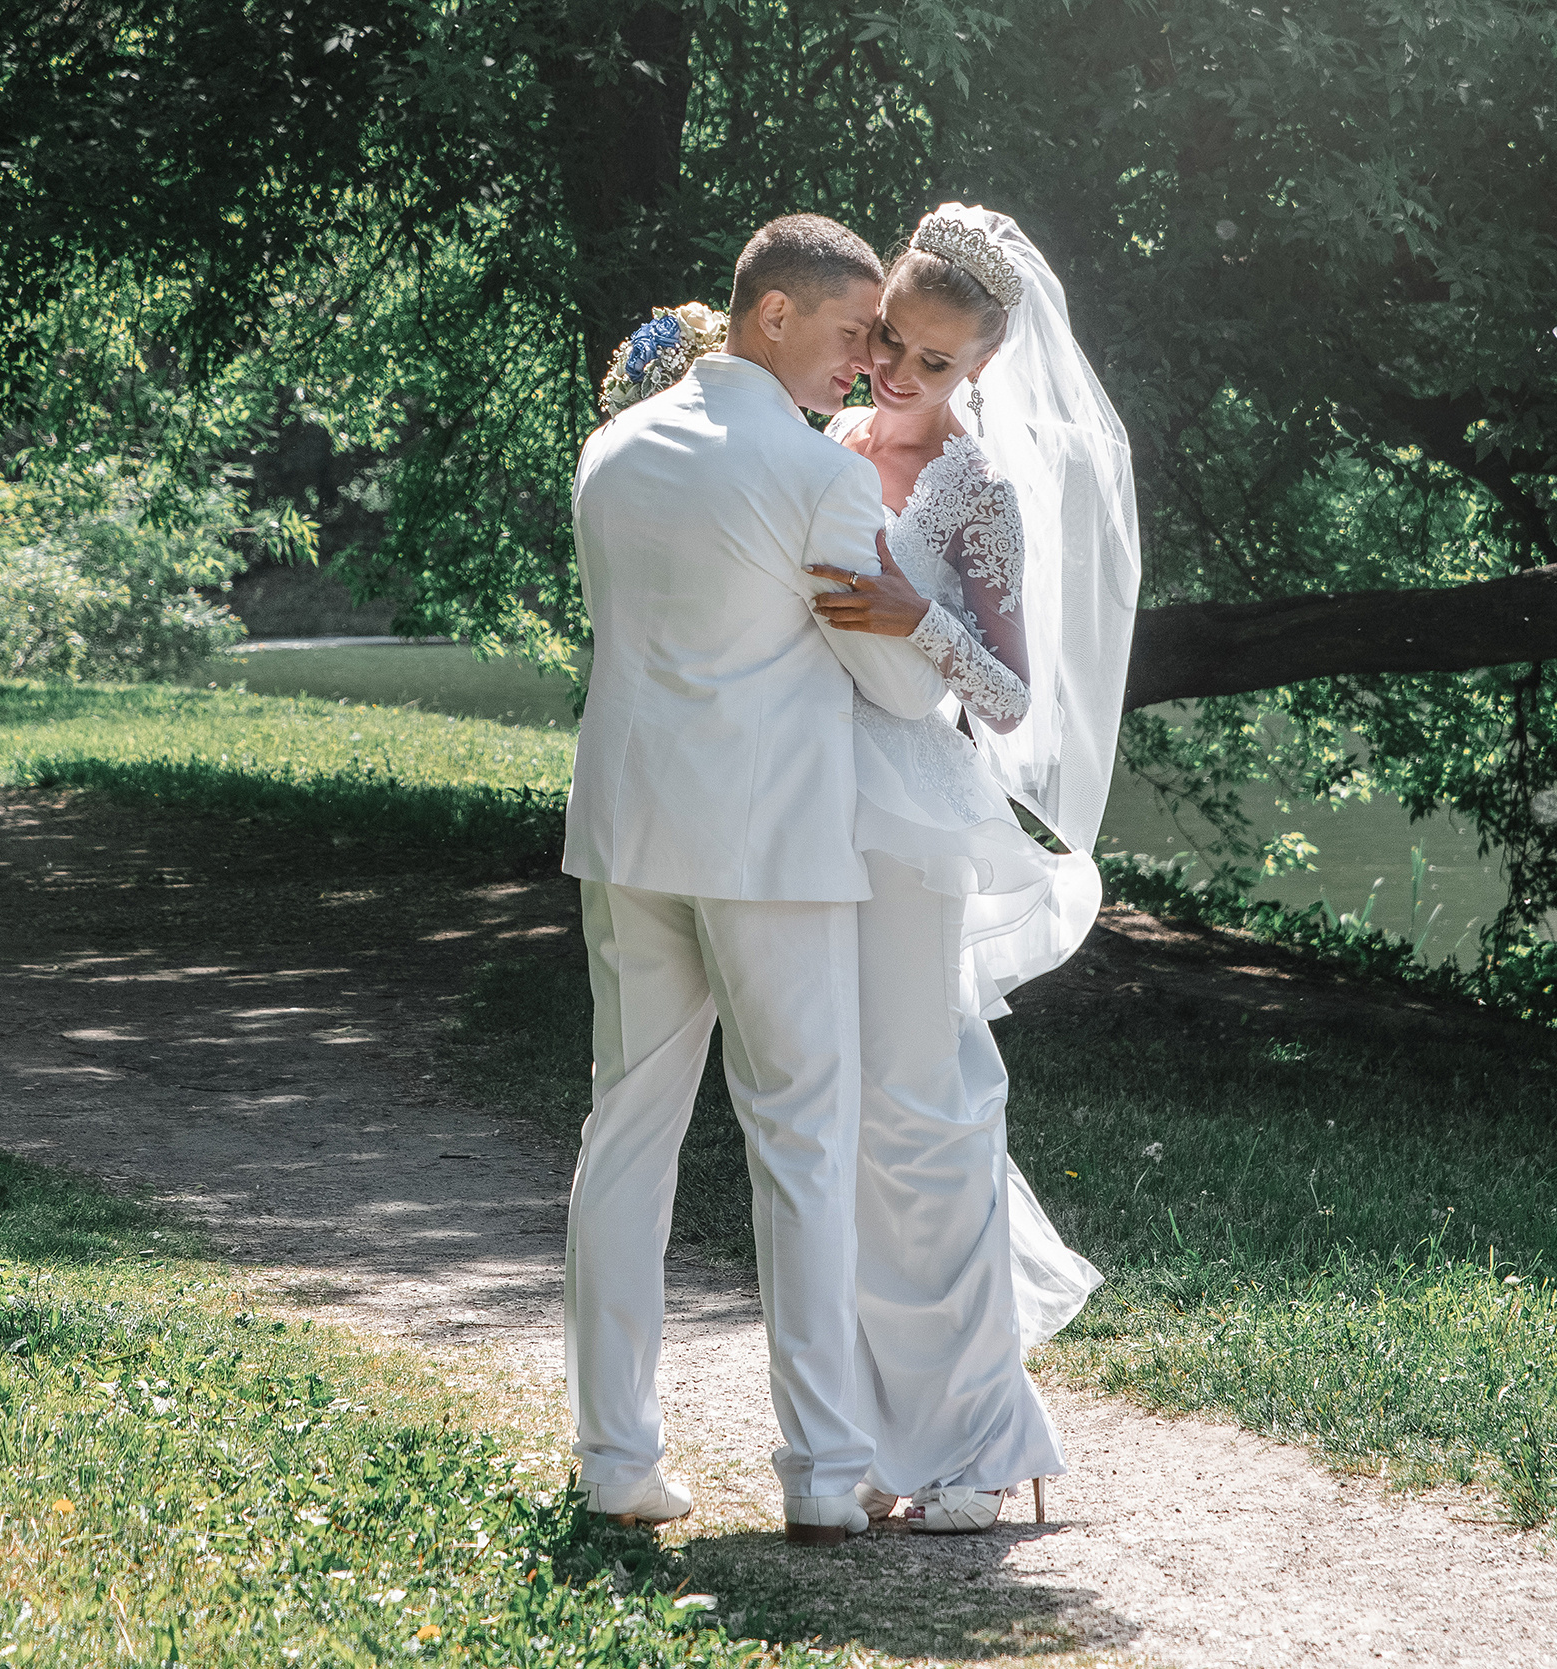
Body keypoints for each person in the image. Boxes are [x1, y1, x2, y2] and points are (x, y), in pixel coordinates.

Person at [560, 214, 947, 1546]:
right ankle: (824, 1469)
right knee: (801, 1142)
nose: (864, 362)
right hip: (770, 849)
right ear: (771, 316)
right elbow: (892, 674)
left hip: (626, 831)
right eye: (851, 335)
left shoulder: (612, 450)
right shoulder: (811, 474)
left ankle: (614, 1457)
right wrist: (935, 623)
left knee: (627, 1132)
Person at [806, 203, 1140, 1531]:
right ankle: (887, 1432)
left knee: (927, 1117)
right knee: (838, 1121)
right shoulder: (823, 440)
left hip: (910, 813)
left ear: (981, 369)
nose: (897, 374)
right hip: (801, 801)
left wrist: (917, 614)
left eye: (933, 363)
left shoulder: (976, 487)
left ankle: (982, 1438)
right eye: (889, 340)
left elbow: (1009, 697)